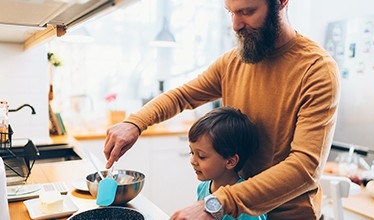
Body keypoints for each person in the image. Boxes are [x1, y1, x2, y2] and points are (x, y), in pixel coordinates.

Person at [104, 0, 340, 219]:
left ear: (281, 3)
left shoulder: (316, 70)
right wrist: (135, 122)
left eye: (247, 11)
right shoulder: (233, 62)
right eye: (231, 12)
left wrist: (218, 202)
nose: (236, 25)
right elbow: (183, 95)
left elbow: (304, 168)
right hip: (234, 211)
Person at [189, 106, 266, 220]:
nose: (193, 161)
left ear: (230, 162)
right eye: (191, 152)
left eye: (201, 156)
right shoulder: (203, 188)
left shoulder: (245, 202)